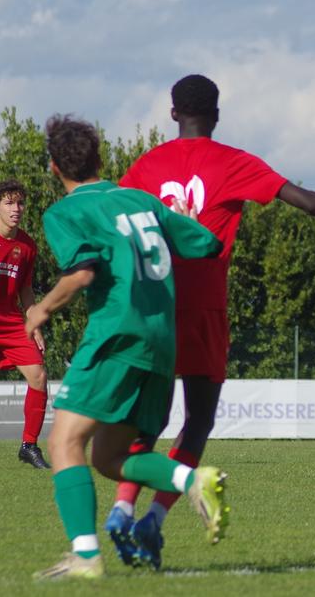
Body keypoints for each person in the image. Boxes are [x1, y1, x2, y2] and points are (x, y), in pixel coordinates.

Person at [106, 74, 315, 569]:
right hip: (204, 306)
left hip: (153, 307)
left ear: (171, 113)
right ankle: (153, 522)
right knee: (198, 420)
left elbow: (116, 226)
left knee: (151, 418)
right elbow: (310, 202)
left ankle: (122, 507)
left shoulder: (144, 166)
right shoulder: (233, 162)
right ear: (218, 114)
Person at [27, 114, 228, 580]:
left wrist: (41, 310)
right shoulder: (142, 201)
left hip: (116, 333)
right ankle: (193, 480)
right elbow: (205, 243)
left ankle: (85, 556)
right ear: (100, 159)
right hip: (161, 343)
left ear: (55, 168)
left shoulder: (64, 213)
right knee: (110, 458)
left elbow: (82, 273)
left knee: (63, 441)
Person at [0, 180, 50, 468]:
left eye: (20, 203)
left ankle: (29, 446)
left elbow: (25, 289)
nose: (16, 209)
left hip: (10, 325)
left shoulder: (27, 246)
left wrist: (34, 322)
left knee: (38, 376)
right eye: (9, 203)